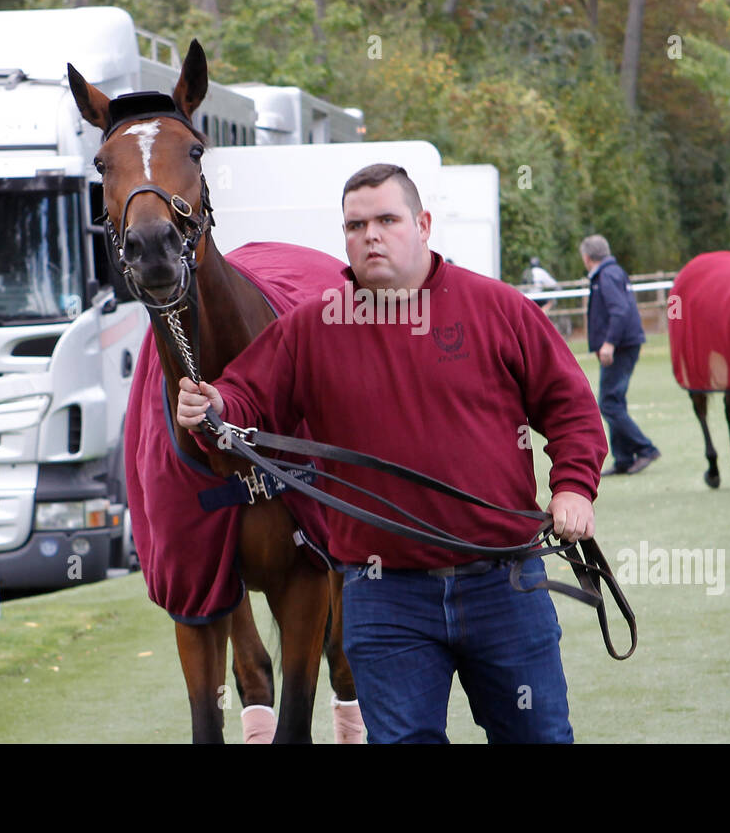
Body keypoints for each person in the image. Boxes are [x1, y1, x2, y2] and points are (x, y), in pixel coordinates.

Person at [176, 163, 608, 744]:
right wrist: (212, 407)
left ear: (423, 224)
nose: (370, 236)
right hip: (384, 597)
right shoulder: (312, 329)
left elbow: (571, 407)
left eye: (386, 220)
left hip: (503, 585)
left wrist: (574, 486)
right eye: (356, 225)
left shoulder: (498, 309)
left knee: (540, 738)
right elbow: (244, 396)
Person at [582, 234, 660, 475]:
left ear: (587, 257)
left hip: (621, 346)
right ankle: (624, 458)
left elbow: (619, 311)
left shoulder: (606, 276)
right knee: (615, 401)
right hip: (625, 344)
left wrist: (609, 343)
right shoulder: (612, 273)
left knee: (608, 402)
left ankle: (645, 448)